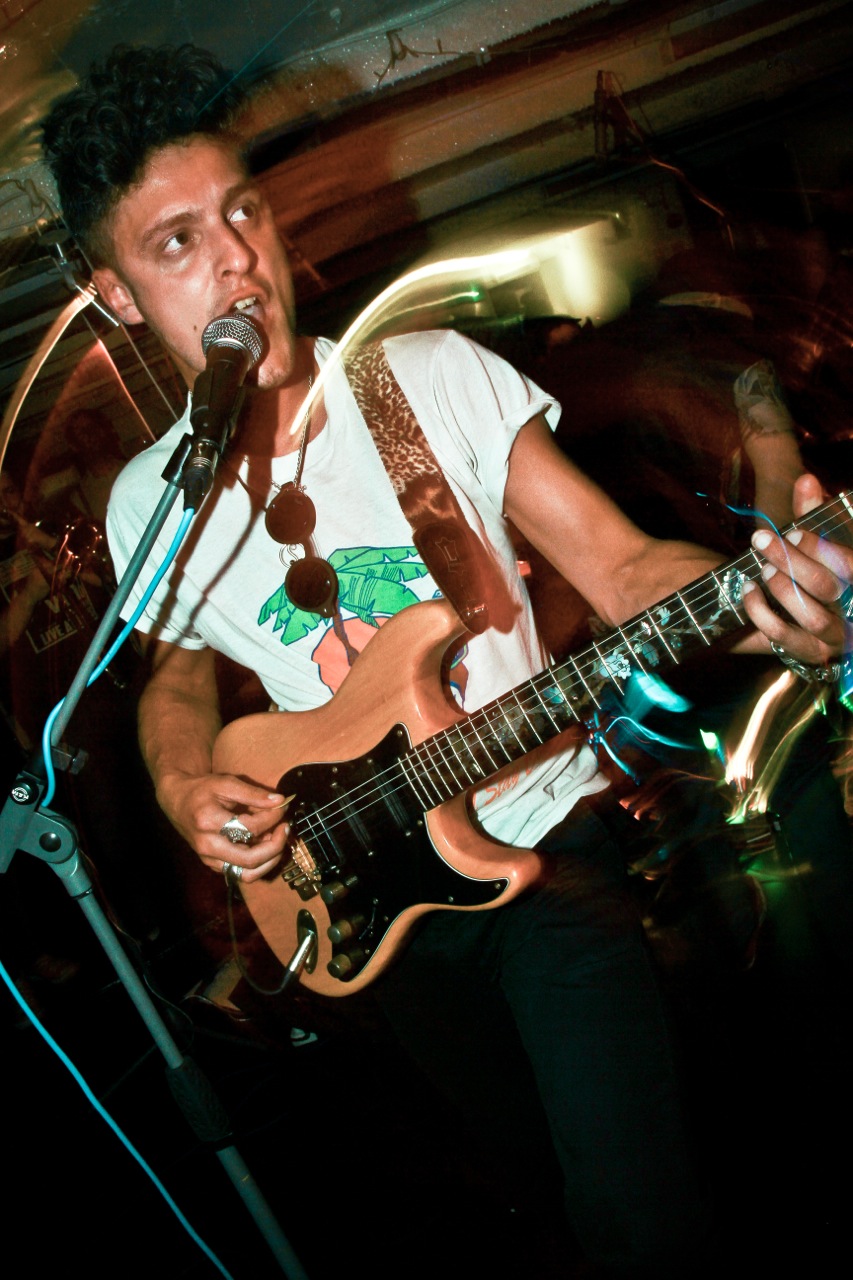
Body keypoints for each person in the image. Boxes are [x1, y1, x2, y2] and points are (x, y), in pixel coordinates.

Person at [40, 45, 853, 1279]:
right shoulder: (150, 498)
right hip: (371, 899)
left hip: (546, 851)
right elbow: (178, 672)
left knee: (642, 1215)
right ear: (115, 293)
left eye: (243, 211)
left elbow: (624, 568)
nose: (237, 260)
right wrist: (181, 780)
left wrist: (760, 594)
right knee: (531, 1188)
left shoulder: (425, 380)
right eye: (178, 242)